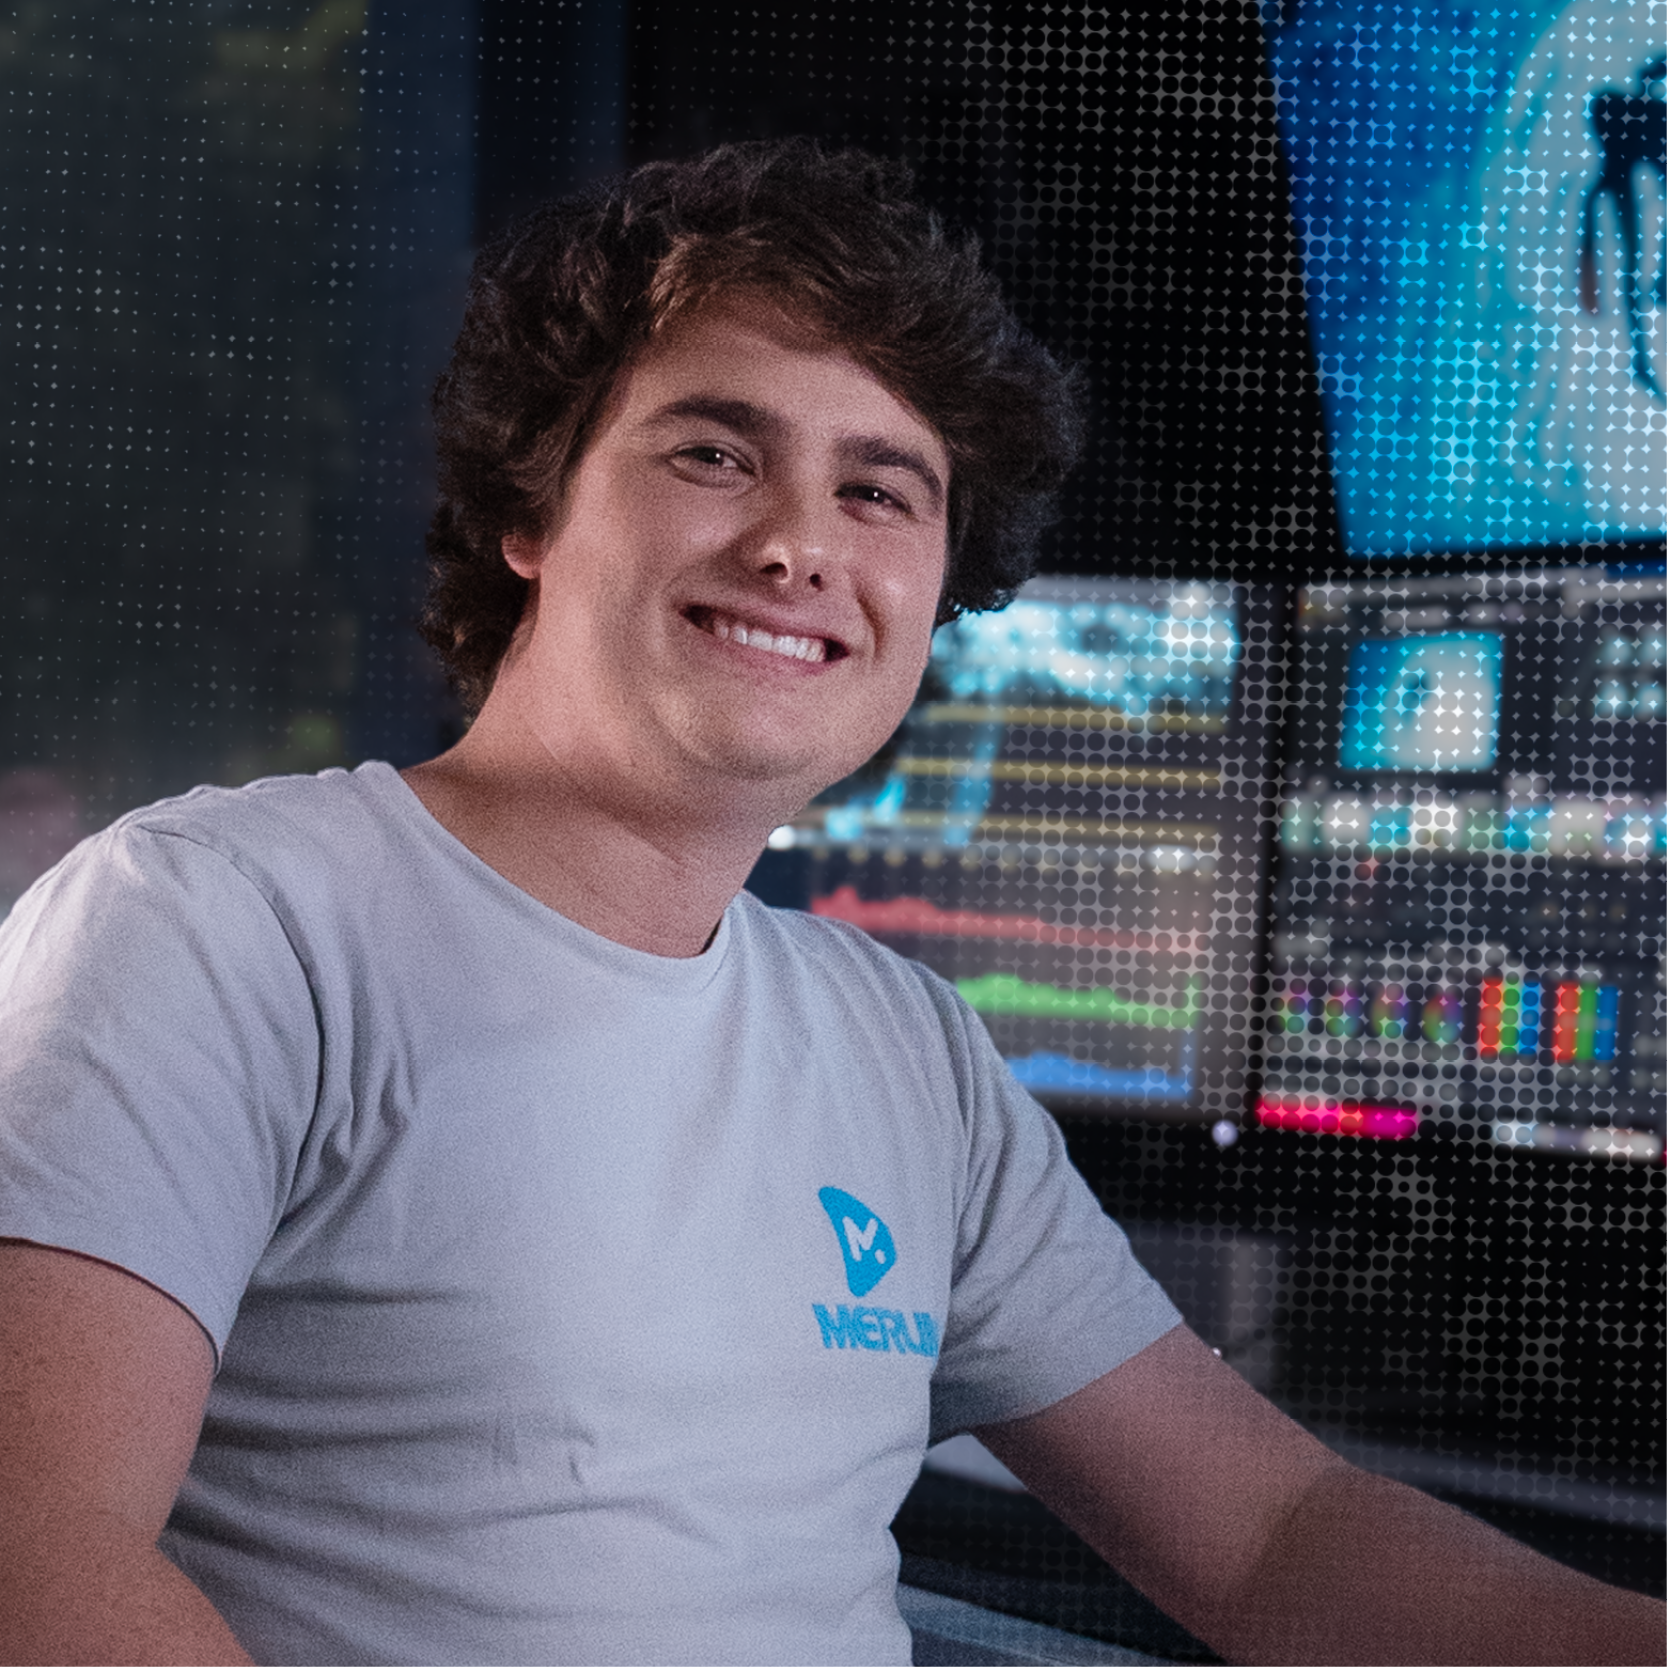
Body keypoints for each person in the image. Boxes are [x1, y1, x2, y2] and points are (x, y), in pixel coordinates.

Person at [0, 141, 1658, 1667]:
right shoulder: (216, 929)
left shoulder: (903, 1051)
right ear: (528, 508)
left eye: (880, 489)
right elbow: (34, 1556)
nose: (801, 544)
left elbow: (1272, 1534)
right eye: (716, 451)